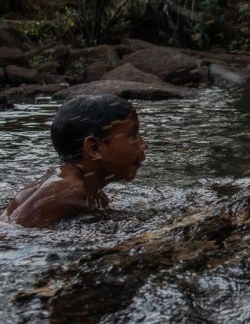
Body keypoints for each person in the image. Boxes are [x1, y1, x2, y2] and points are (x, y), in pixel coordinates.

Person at [4, 94, 147, 228]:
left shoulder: (95, 195)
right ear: (95, 148)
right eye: (133, 135)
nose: (143, 144)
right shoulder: (69, 191)